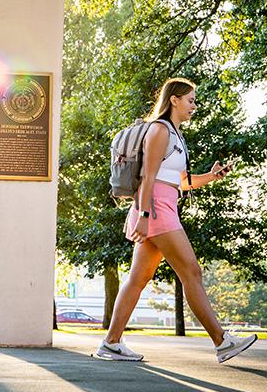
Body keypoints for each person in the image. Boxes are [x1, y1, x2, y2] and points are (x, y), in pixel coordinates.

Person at [94, 77, 257, 364]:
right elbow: (148, 177)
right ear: (174, 100)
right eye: (190, 100)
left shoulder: (177, 136)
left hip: (164, 205)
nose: (194, 105)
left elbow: (182, 182)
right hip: (155, 208)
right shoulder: (159, 130)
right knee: (191, 272)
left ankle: (111, 342)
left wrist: (212, 175)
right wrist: (143, 216)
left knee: (138, 279)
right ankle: (222, 341)